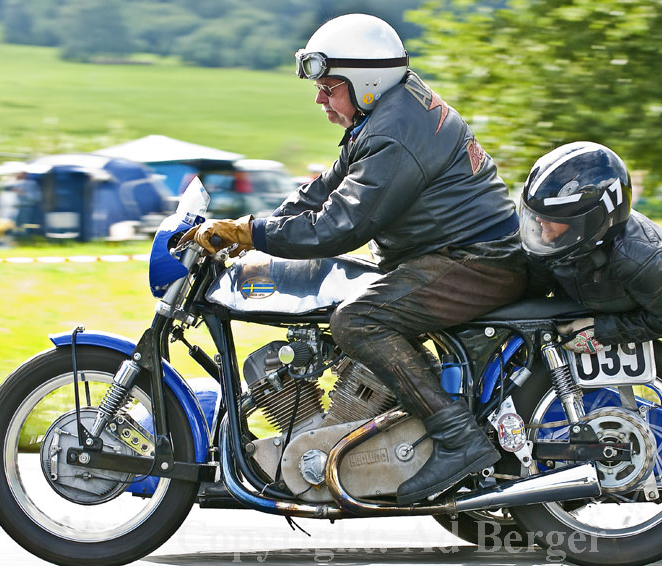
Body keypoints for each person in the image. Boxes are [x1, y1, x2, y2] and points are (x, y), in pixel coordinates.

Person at [184, 13, 527, 503]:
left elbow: (339, 225)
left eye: (328, 87)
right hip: (457, 255)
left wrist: (254, 234)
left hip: (476, 261)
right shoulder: (387, 111)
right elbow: (325, 191)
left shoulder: (395, 132)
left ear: (366, 82)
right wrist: (250, 227)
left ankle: (457, 437)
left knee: (358, 320)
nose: (320, 98)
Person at [519, 141, 662, 353]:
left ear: (591, 221)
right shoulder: (551, 240)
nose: (539, 222)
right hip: (577, 307)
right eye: (535, 214)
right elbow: (530, 294)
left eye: (552, 217)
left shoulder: (641, 261)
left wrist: (601, 333)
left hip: (620, 318)